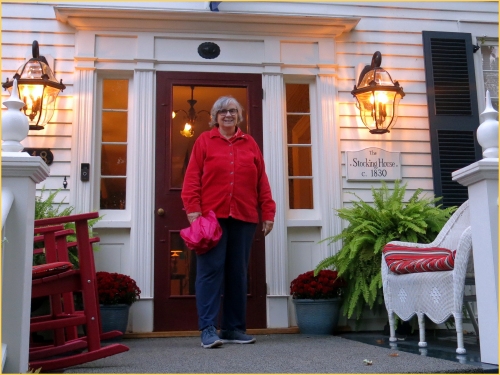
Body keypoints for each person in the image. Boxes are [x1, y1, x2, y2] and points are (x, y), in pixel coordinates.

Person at [181, 96, 276, 349]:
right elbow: (191, 179)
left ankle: (233, 328)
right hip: (212, 219)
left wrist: (268, 212)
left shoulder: (250, 143)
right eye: (222, 111)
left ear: (239, 115)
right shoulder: (204, 141)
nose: (227, 115)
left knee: (237, 274)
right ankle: (209, 329)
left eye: (232, 111)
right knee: (210, 273)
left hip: (244, 217)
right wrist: (193, 211)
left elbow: (261, 182)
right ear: (215, 116)